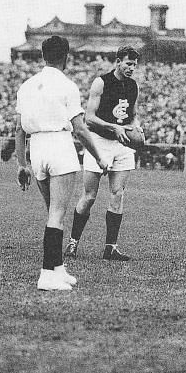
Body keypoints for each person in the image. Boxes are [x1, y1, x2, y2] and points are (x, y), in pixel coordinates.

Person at [15, 36, 108, 291]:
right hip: (58, 145)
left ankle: (57, 267)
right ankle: (47, 274)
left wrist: (22, 164)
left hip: (37, 149)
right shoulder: (67, 85)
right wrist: (99, 156)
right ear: (66, 57)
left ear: (43, 55)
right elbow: (79, 128)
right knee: (57, 213)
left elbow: (19, 129)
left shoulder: (27, 85)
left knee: (52, 212)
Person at [65, 46, 143, 261]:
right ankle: (73, 242)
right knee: (89, 196)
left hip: (122, 143)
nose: (131, 68)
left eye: (134, 65)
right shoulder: (101, 82)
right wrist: (112, 127)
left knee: (118, 194)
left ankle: (111, 247)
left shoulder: (134, 85)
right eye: (128, 63)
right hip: (98, 142)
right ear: (118, 62)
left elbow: (133, 115)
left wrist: (136, 127)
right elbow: (89, 118)